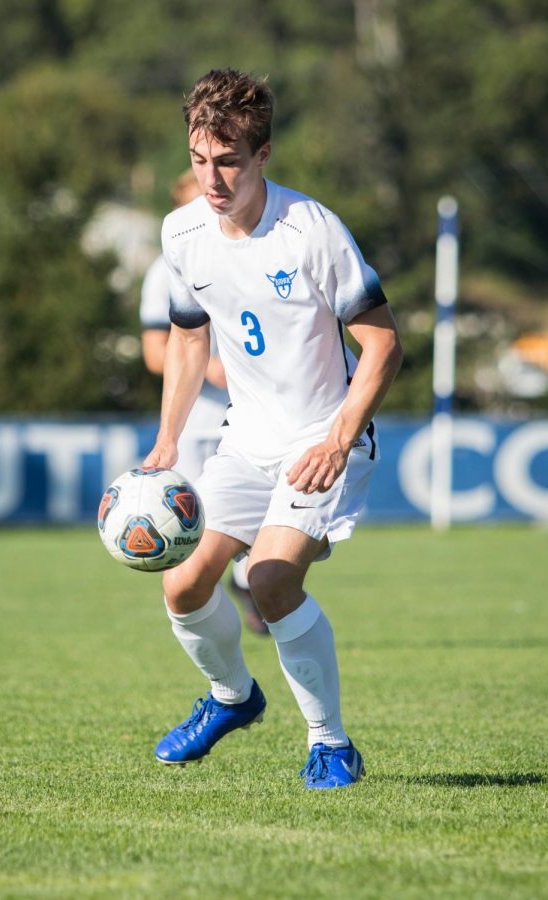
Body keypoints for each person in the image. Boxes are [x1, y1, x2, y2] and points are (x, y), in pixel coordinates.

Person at [143, 68, 403, 790]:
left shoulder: (312, 231)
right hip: (244, 440)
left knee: (269, 580)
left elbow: (382, 346)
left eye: (227, 160)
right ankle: (232, 696)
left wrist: (338, 437)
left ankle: (331, 743)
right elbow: (189, 338)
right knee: (184, 584)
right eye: (199, 160)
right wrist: (168, 442)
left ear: (262, 155)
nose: (211, 178)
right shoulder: (183, 233)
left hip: (325, 435)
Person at [140, 169, 267, 636]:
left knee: (252, 528)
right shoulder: (166, 268)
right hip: (198, 423)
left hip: (254, 419)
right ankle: (215, 618)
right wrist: (211, 368)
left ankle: (248, 587)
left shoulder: (253, 250)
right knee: (199, 533)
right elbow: (158, 350)